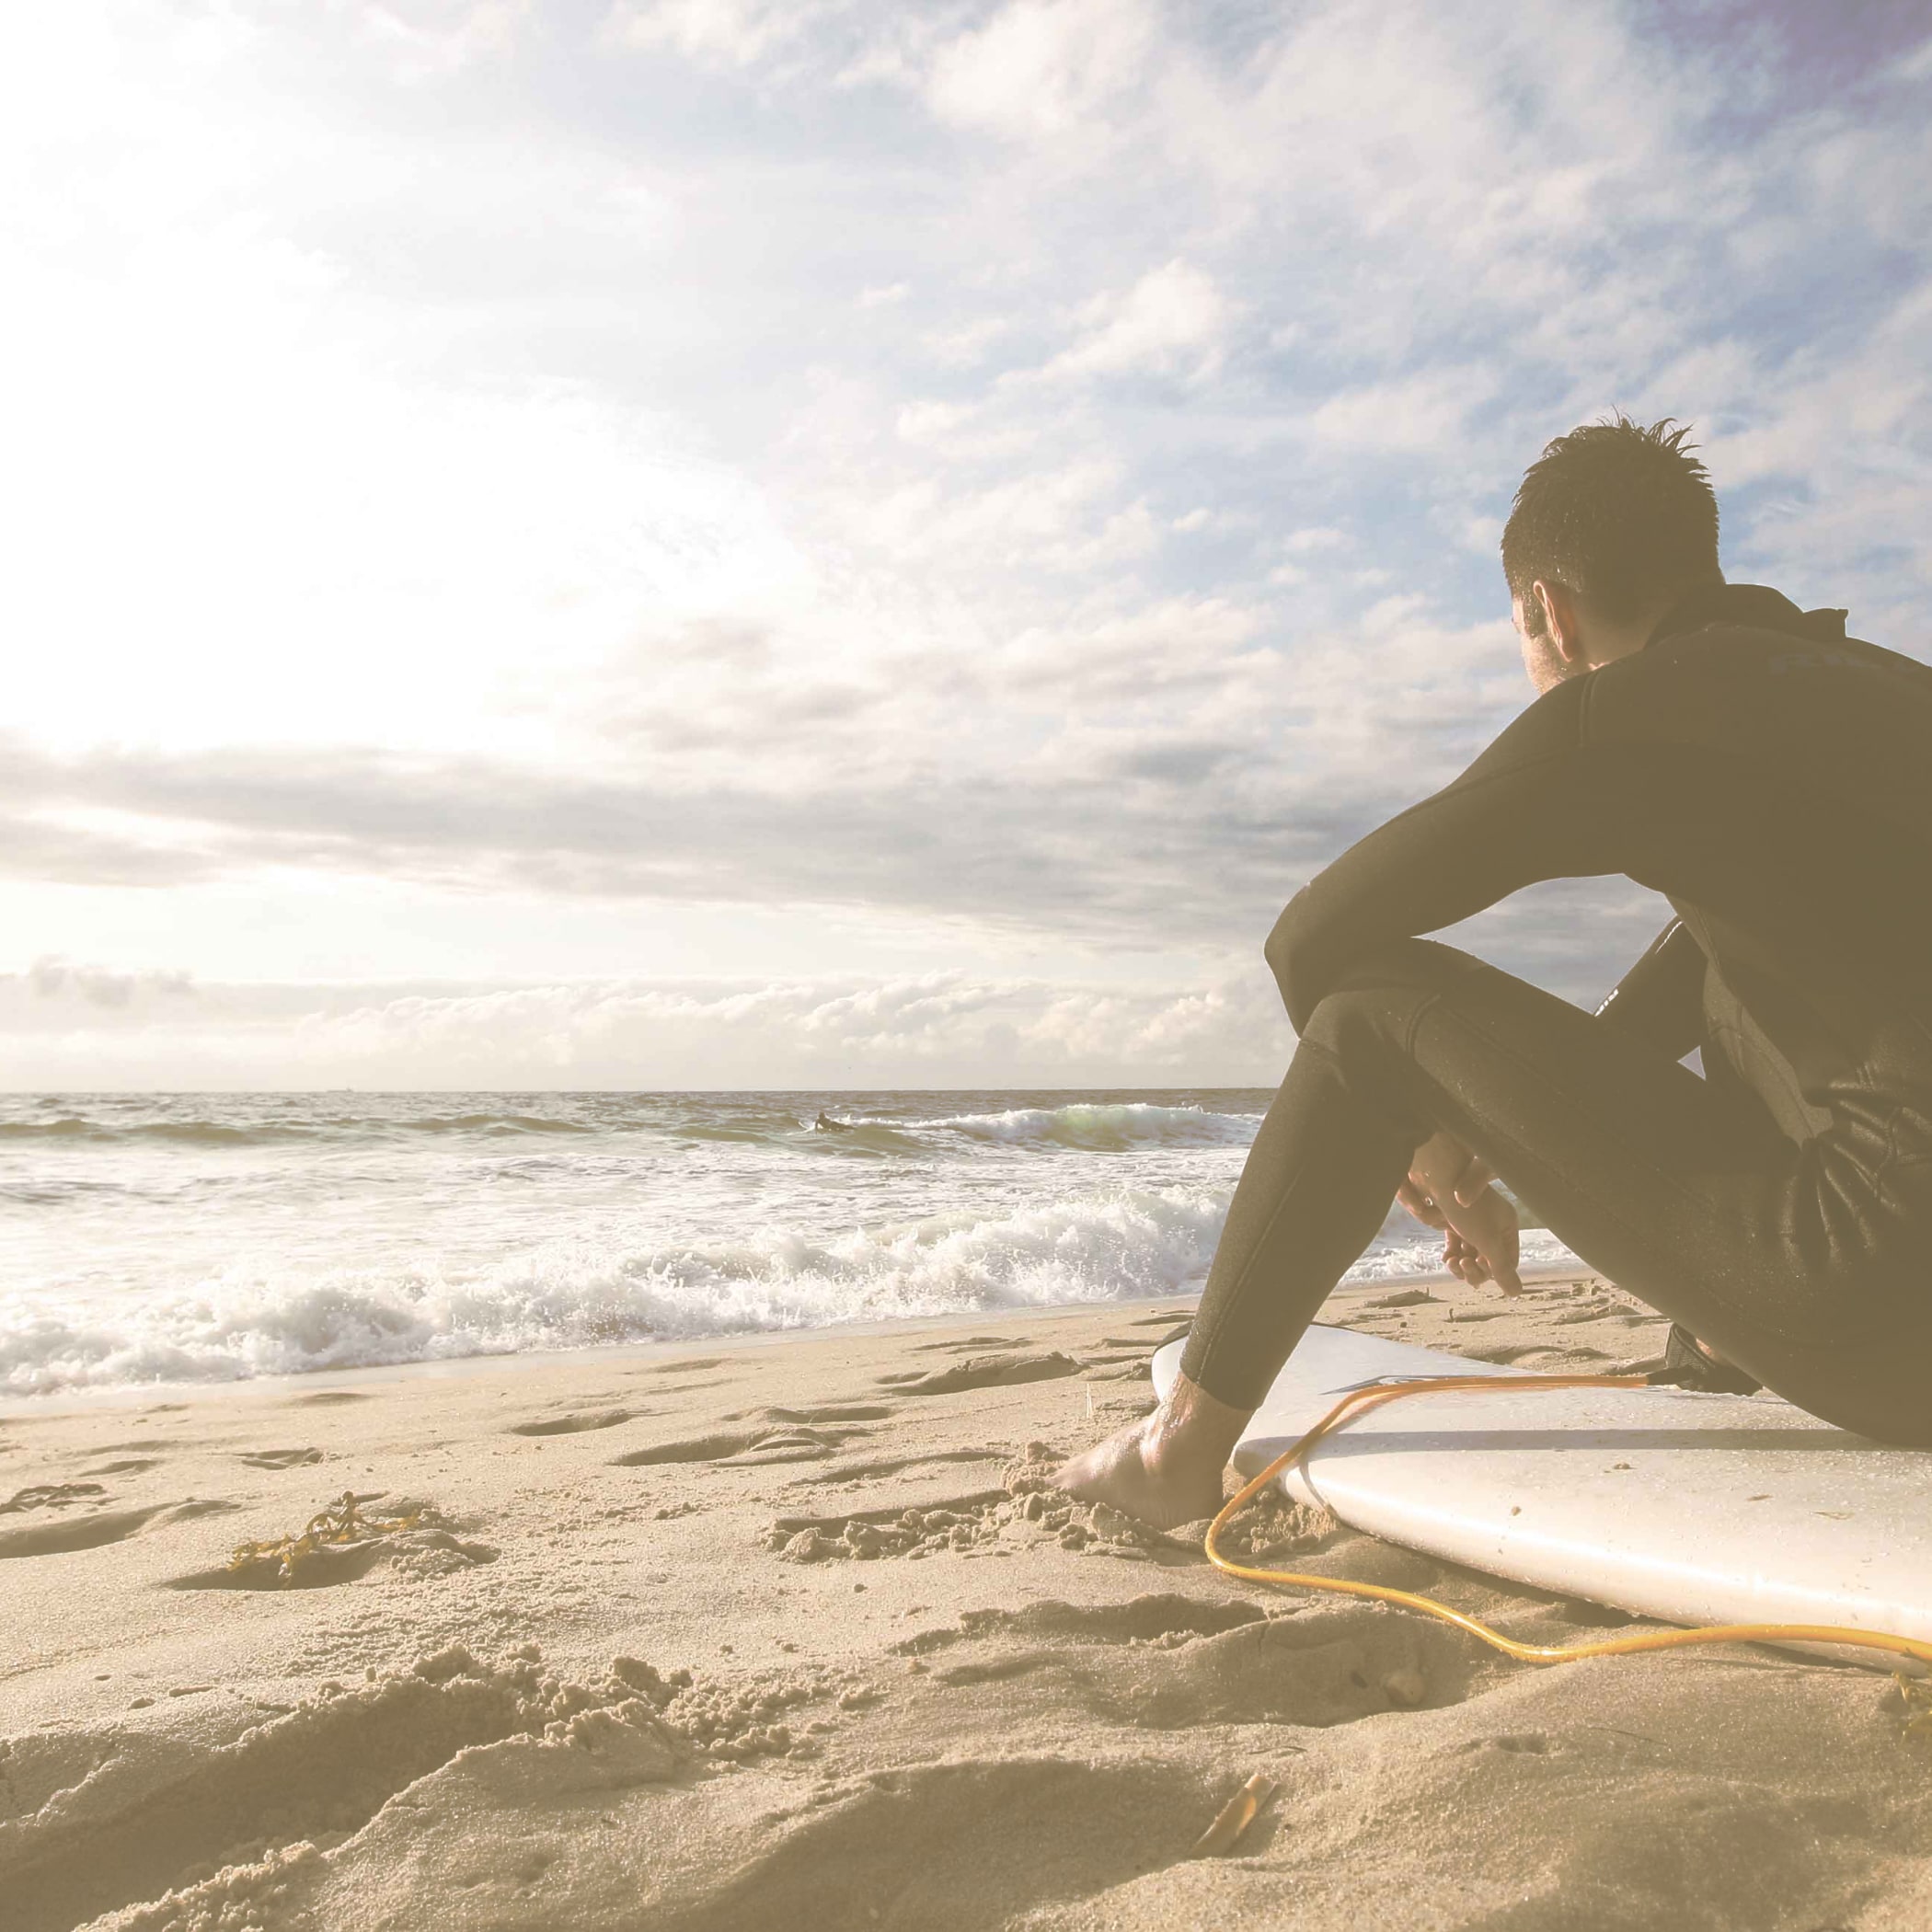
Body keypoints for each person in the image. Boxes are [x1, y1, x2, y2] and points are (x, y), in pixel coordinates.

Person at [1057, 417, 1932, 1529]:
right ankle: (1716, 1339)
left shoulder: (1632, 711)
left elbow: (1313, 940)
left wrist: (1425, 1137)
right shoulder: (1895, 687)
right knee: (1729, 966)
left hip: (1890, 1320)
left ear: (1547, 612)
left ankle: (1178, 1449)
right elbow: (1728, 971)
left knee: (1370, 1014)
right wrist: (1490, 1129)